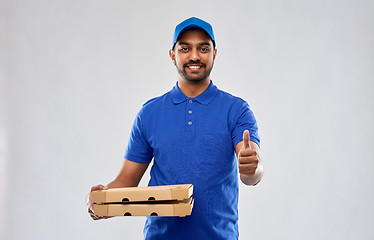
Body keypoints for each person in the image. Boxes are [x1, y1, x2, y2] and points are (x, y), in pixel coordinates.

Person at [88, 16, 263, 239]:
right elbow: (126, 181)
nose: (194, 56)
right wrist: (102, 200)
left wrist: (251, 168)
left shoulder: (236, 110)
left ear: (214, 54)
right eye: (185, 48)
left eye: (203, 48)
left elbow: (252, 172)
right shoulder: (149, 114)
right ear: (173, 55)